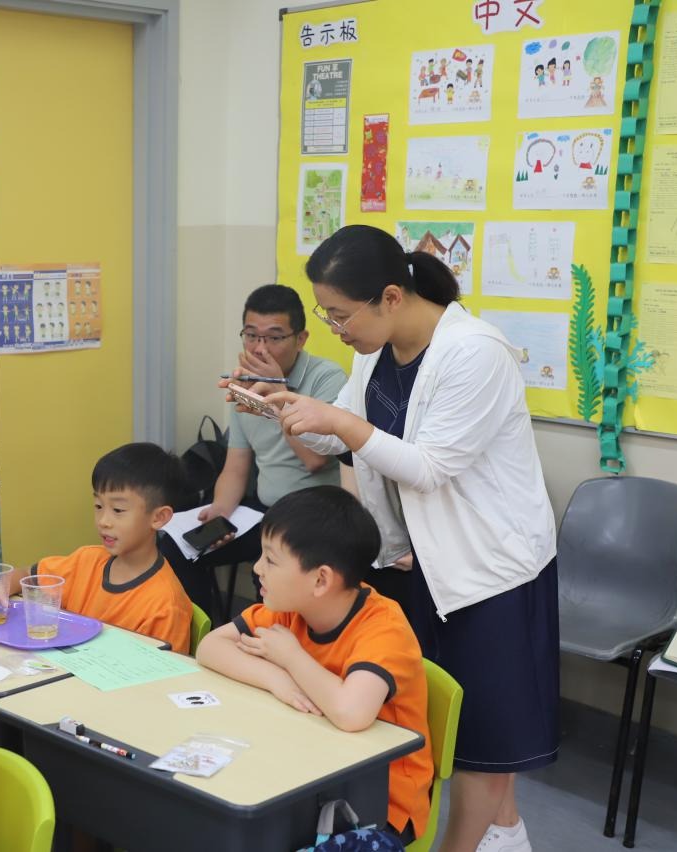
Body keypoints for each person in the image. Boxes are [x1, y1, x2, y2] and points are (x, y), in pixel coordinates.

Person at [264, 225, 558, 852]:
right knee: (427, 719)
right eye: (325, 313)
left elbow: (428, 467)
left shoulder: (474, 352)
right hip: (412, 561)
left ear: (391, 297)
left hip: (486, 569)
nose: (334, 328)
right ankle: (505, 834)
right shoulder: (374, 351)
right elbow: (342, 436)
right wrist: (285, 409)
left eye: (340, 314)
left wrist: (340, 420)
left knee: (483, 740)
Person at [196, 486, 432, 845]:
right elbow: (210, 647)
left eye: (271, 560)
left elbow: (351, 713)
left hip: (376, 804)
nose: (257, 569)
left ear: (320, 579)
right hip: (304, 771)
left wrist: (291, 657)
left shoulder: (383, 628)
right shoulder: (289, 607)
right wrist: (277, 678)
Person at [160, 284, 346, 618]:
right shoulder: (243, 384)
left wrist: (277, 395)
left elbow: (316, 460)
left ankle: (260, 634)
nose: (260, 348)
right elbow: (236, 466)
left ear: (300, 339)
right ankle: (200, 634)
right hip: (265, 511)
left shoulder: (326, 378)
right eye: (251, 336)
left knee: (271, 576)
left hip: (315, 515)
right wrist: (219, 513)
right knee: (177, 547)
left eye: (274, 337)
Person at [0, 442, 193, 651]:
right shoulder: (86, 560)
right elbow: (26, 576)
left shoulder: (166, 606)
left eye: (118, 510)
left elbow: (165, 670)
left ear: (159, 517)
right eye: (98, 506)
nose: (103, 521)